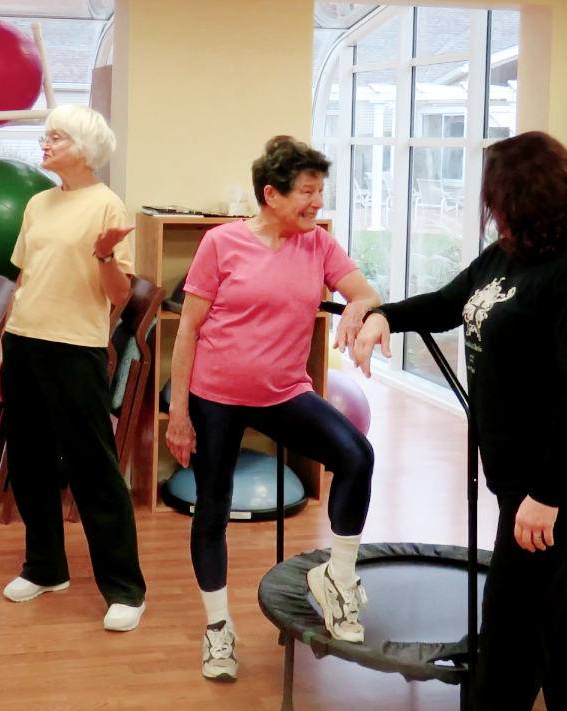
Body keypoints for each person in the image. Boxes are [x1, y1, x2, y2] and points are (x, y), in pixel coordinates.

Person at [352, 131, 567, 711]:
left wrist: (546, 494)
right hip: (516, 469)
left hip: (558, 475)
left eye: (493, 196)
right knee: (562, 599)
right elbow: (447, 304)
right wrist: (382, 317)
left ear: (526, 195)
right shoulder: (508, 255)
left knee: (512, 620)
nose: (487, 208)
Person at [166, 136, 380, 682]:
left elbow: (364, 291)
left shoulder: (319, 245)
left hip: (285, 391)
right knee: (212, 509)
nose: (316, 202)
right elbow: (187, 330)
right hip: (216, 396)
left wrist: (360, 312)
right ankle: (218, 630)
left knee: (357, 456)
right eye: (307, 192)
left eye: (319, 192)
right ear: (271, 194)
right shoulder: (221, 243)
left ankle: (339, 577)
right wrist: (181, 413)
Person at [0, 105, 146, 632]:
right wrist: (5, 346)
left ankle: (125, 588)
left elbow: (120, 296)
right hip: (25, 342)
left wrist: (104, 258)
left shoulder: (108, 206)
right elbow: (23, 280)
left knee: (92, 469)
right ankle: (45, 567)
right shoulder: (37, 203)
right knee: (29, 462)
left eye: (57, 136)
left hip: (74, 347)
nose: (45, 143)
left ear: (85, 147)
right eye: (47, 135)